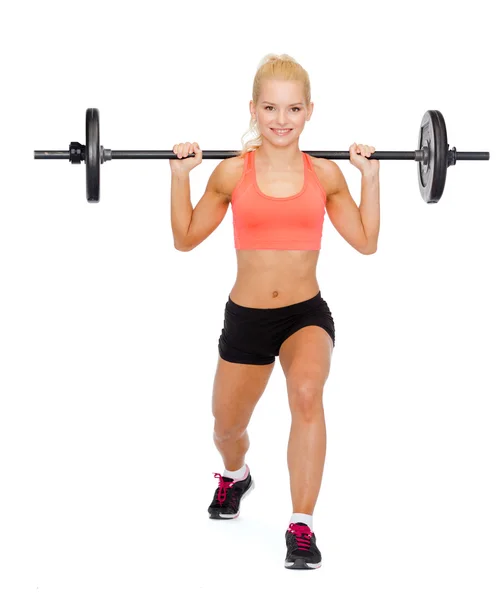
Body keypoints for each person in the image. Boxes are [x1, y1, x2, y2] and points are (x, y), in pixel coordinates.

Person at [169, 54, 380, 570]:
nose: (281, 120)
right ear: (253, 109)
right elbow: (185, 239)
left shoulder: (327, 174)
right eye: (270, 108)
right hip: (246, 320)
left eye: (292, 108)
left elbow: (367, 242)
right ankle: (236, 476)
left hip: (305, 316)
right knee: (225, 429)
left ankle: (301, 526)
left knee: (307, 393)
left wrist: (370, 179)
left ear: (309, 111)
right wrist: (180, 177)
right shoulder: (231, 173)